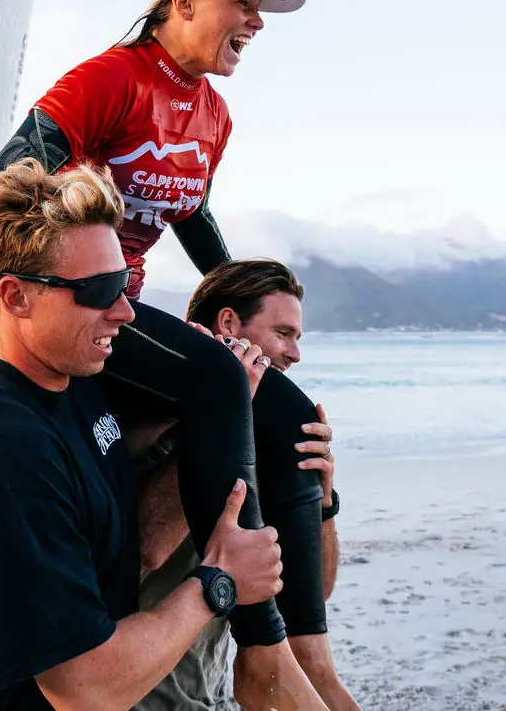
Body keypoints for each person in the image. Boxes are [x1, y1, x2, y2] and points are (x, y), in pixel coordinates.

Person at [0, 0, 333, 709]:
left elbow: (191, 213)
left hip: (129, 310)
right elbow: (2, 181)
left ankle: (305, 652)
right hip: (83, 301)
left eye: (262, 8)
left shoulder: (214, 116)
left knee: (289, 413)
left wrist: (235, 299)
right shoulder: (111, 80)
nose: (257, 22)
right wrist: (6, 311)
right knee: (218, 379)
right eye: (243, 3)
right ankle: (261, 644)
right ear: (181, 3)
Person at [0, 160, 289, 710]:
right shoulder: (0, 454)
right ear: (16, 297)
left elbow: (122, 533)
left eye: (125, 284)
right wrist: (219, 582)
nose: (125, 311)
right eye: (100, 290)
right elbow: (84, 689)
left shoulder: (75, 386)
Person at [134, 259, 360, 711]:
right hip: (142, 695)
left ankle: (309, 669)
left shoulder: (263, 436)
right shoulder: (153, 416)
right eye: (283, 334)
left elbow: (313, 592)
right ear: (228, 324)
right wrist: (221, 419)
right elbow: (147, 547)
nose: (295, 354)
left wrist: (323, 503)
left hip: (211, 693)